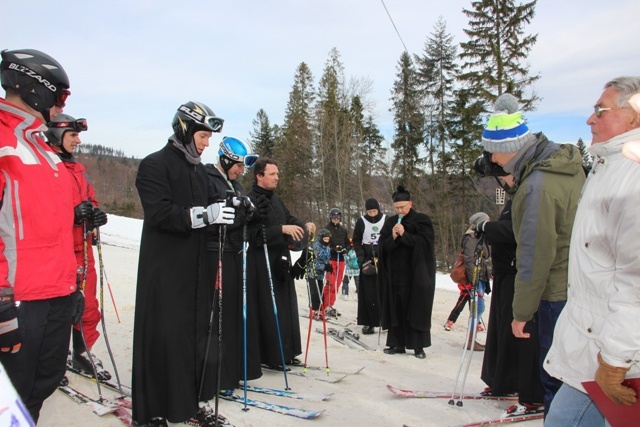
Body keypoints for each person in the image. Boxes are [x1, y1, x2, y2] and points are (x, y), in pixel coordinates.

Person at [479, 93, 585, 416]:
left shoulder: (536, 185)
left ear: (509, 149)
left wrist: (521, 313)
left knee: (554, 376)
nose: (493, 161)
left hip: (553, 294)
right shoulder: (560, 168)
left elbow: (534, 254)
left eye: (493, 152)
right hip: (574, 284)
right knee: (569, 375)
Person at [132, 101, 235, 426]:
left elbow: (210, 211)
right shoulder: (155, 165)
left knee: (192, 338)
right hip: (164, 270)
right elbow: (160, 213)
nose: (207, 143)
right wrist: (205, 215)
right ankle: (151, 411)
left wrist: (227, 212)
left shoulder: (199, 172)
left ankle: (187, 404)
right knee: (164, 337)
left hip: (196, 270)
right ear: (185, 130)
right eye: (203, 136)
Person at [545, 76, 640, 426]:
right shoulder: (607, 168)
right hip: (596, 344)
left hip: (617, 352)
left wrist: (615, 361)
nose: (590, 119)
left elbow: (636, 281)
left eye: (601, 110)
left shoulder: (633, 177)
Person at [0, 48, 80, 423]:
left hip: (56, 294)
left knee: (40, 386)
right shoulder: (4, 142)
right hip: (19, 299)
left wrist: (72, 287)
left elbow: (56, 224)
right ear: (38, 89)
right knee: (9, 396)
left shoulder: (43, 148)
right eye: (60, 96)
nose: (60, 105)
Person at [44, 114, 110, 381]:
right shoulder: (46, 166)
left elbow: (89, 198)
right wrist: (71, 214)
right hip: (56, 249)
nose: (78, 140)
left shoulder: (77, 169)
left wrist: (95, 214)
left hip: (82, 246)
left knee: (87, 305)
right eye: (73, 135)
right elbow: (38, 209)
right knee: (57, 309)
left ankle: (82, 352)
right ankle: (50, 360)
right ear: (56, 135)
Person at [203, 136, 262, 388]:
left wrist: (247, 216)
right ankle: (214, 375)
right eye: (238, 165)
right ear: (226, 160)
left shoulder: (236, 185)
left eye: (243, 167)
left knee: (233, 313)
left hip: (235, 253)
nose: (241, 171)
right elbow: (207, 216)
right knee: (218, 314)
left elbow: (236, 223)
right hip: (214, 252)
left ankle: (231, 371)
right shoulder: (207, 178)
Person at [247, 158, 316, 369]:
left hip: (280, 260)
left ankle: (287, 351)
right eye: (272, 174)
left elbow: (289, 218)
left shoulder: (275, 198)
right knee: (270, 309)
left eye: (278, 173)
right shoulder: (251, 199)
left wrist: (303, 225)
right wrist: (281, 230)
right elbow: (251, 234)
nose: (277, 177)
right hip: (261, 262)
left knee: (286, 306)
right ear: (259, 176)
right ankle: (272, 356)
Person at [478, 196, 544, 410]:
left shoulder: (531, 196)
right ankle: (502, 381)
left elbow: (517, 230)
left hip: (518, 273)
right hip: (504, 272)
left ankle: (527, 388)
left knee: (518, 329)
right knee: (500, 329)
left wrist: (488, 226)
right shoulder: (515, 198)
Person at [378, 186, 436, 359]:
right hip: (396, 276)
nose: (400, 211)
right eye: (397, 208)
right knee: (396, 308)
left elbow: (426, 245)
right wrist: (394, 238)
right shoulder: (390, 222)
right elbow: (383, 247)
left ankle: (418, 346)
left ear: (410, 203)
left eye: (402, 207)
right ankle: (397, 344)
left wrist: (405, 235)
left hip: (416, 275)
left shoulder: (421, 220)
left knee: (417, 309)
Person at [444, 212, 491, 352]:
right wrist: (473, 280)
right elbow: (470, 260)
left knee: (478, 308)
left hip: (480, 277)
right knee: (478, 309)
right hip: (475, 278)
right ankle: (470, 340)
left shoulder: (480, 237)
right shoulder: (472, 238)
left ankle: (472, 338)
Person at [353, 198, 385, 335]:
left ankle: (385, 320)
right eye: (370, 211)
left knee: (383, 291)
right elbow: (356, 240)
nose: (372, 214)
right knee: (367, 292)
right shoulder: (361, 221)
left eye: (374, 211)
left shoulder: (386, 219)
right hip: (367, 258)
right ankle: (368, 322)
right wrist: (361, 258)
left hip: (382, 258)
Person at [323, 207, 350, 317]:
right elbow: (324, 244)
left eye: (337, 217)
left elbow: (348, 243)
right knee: (330, 283)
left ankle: (331, 304)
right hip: (331, 259)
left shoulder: (343, 230)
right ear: (330, 217)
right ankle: (324, 305)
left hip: (341, 260)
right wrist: (334, 249)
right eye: (334, 217)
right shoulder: (326, 229)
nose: (336, 218)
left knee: (337, 283)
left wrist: (345, 249)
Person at [305, 228, 332, 320]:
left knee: (321, 292)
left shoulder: (327, 248)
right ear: (321, 238)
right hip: (313, 272)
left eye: (328, 239)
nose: (326, 241)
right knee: (315, 292)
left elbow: (326, 259)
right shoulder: (316, 247)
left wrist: (328, 265)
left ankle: (319, 310)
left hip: (320, 274)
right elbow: (313, 262)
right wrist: (324, 266)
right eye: (325, 239)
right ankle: (313, 311)